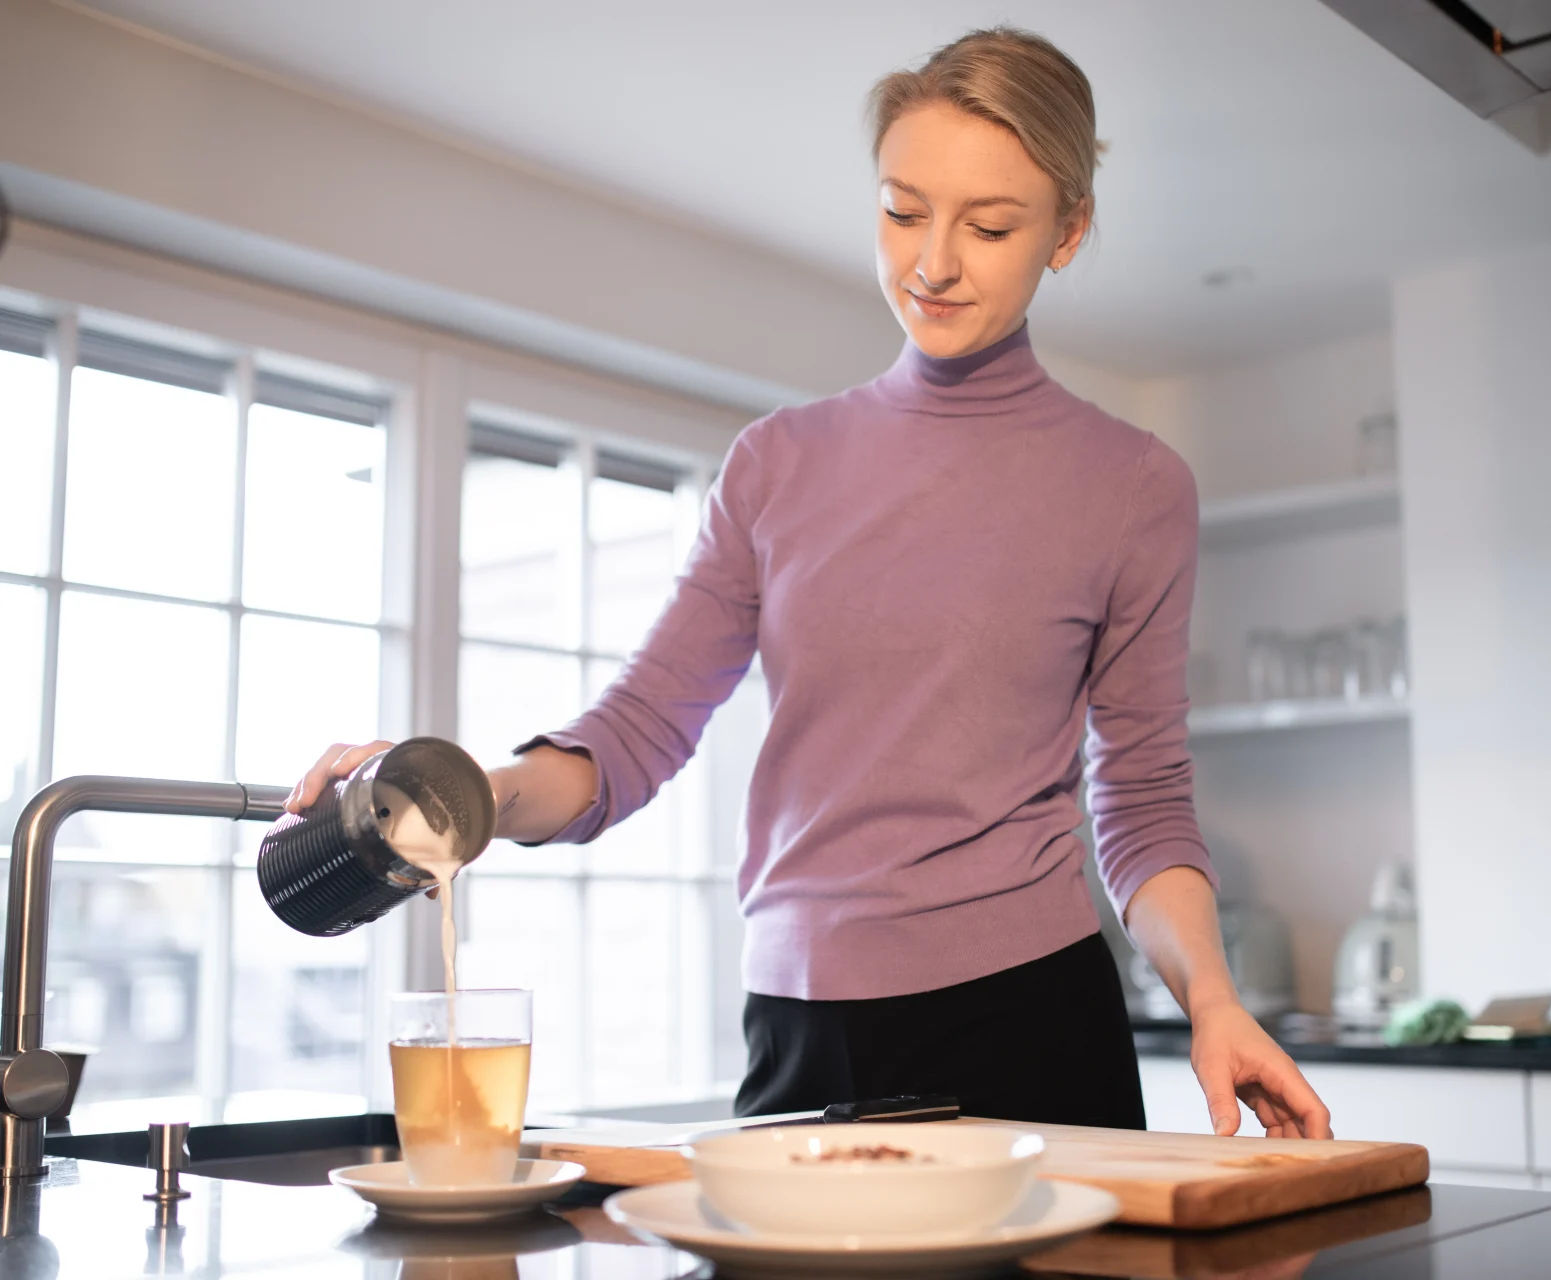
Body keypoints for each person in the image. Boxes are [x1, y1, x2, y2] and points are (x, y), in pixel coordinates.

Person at [290, 26, 1331, 1141]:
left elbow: (1141, 798)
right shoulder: (776, 463)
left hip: (1027, 1014)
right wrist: (457, 796)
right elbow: (639, 729)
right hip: (799, 1019)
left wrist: (1214, 1000)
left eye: (989, 225)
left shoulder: (1131, 485)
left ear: (1068, 232)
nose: (933, 261)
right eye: (901, 208)